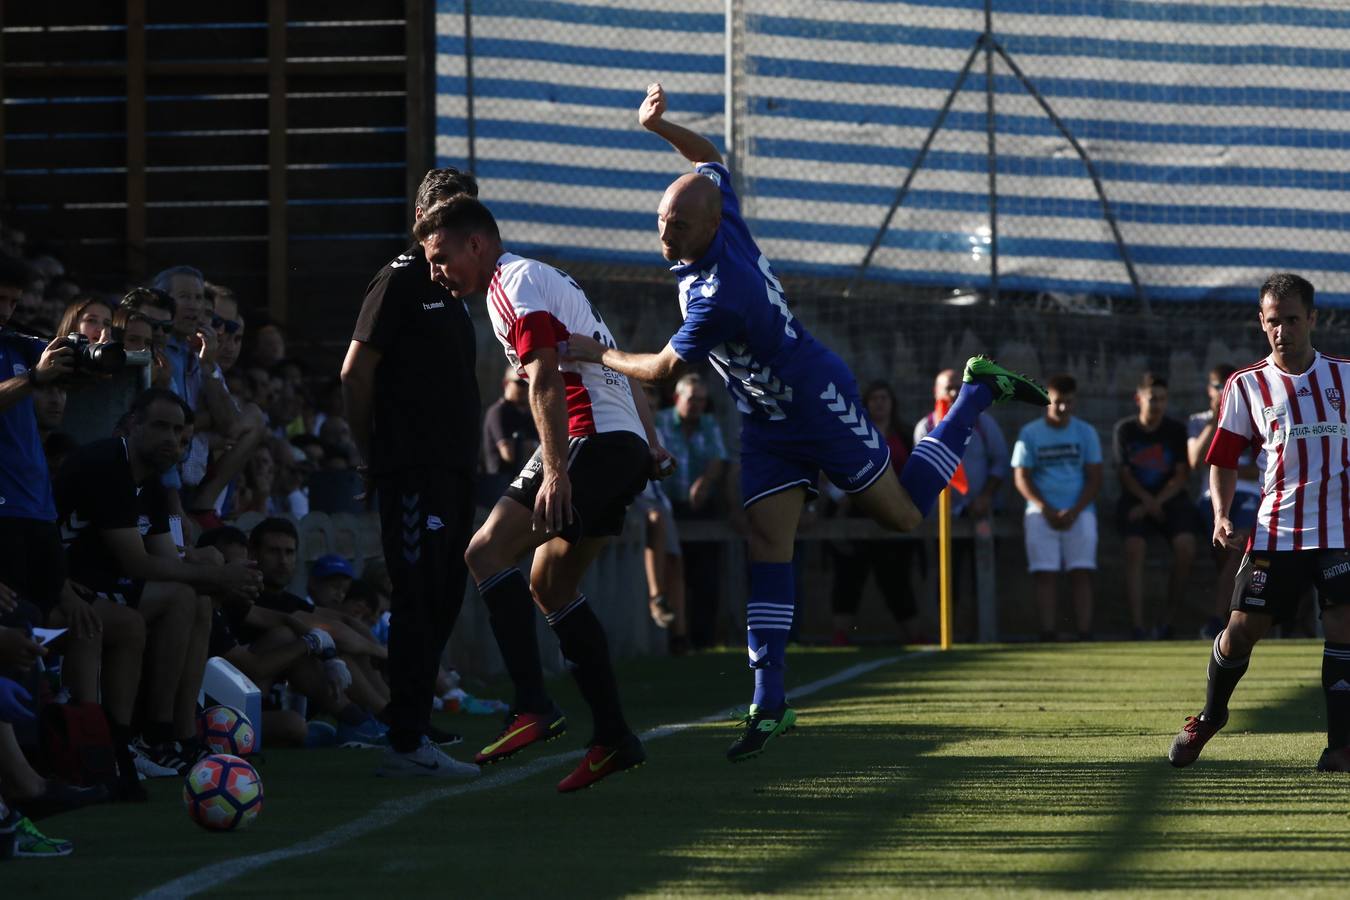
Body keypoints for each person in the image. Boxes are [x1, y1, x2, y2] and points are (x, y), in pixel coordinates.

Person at [564, 83, 1048, 761]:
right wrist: (660, 127)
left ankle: (973, 393)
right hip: (764, 418)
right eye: (661, 221)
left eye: (677, 227)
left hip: (815, 400)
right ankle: (769, 703)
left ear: (708, 228)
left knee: (903, 516)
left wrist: (597, 352)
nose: (664, 235)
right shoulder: (718, 209)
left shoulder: (716, 294)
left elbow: (666, 372)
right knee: (769, 544)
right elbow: (711, 154)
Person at [414, 194, 674, 792]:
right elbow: (609, 362)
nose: (436, 272)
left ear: (476, 244)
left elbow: (547, 377)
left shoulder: (510, 285)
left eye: (441, 257)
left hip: (589, 442)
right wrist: (651, 442)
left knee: (483, 552)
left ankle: (532, 704)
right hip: (622, 447)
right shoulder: (549, 279)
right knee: (550, 583)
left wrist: (556, 470)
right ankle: (613, 738)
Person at [1169, 273, 1350, 773]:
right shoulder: (1246, 384)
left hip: (1340, 529)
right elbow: (1223, 459)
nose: (1282, 330)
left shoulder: (1346, 377)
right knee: (1242, 629)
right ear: (1261, 322)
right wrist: (1223, 514)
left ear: (1312, 318)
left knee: (1343, 626)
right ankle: (1210, 715)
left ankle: (1340, 748)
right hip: (1277, 529)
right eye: (1273, 321)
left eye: (1292, 319)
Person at [341, 167, 482, 778]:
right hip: (412, 471)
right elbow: (354, 373)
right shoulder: (398, 281)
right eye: (445, 208)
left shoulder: (454, 292)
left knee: (446, 593)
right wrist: (371, 454)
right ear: (423, 217)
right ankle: (405, 739)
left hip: (454, 471)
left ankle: (415, 720)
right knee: (418, 593)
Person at [54, 389, 264, 775]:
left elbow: (166, 557)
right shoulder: (109, 463)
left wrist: (221, 579)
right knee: (182, 597)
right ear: (132, 426)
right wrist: (220, 574)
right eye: (161, 427)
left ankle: (181, 737)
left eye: (179, 431)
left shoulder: (149, 479)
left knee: (196, 597)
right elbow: (139, 564)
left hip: (100, 584)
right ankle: (154, 734)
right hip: (61, 586)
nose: (171, 438)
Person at [914, 369, 1009, 639]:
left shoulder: (983, 423)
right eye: (948, 388)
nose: (954, 393)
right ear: (936, 392)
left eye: (959, 387)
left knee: (983, 579)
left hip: (981, 513)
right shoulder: (927, 426)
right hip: (945, 516)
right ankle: (948, 634)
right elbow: (925, 470)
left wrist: (986, 496)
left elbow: (1000, 461)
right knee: (946, 579)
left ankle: (984, 635)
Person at [826, 380, 921, 644]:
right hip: (856, 511)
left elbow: (915, 470)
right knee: (848, 576)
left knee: (897, 578)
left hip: (893, 510)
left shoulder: (904, 434)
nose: (879, 403)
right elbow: (836, 469)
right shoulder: (852, 434)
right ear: (866, 405)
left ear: (892, 403)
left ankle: (914, 635)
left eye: (884, 398)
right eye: (874, 398)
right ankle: (841, 635)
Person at [1011, 374, 1102, 641]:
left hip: (1081, 512)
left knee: (1081, 571)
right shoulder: (1029, 433)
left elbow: (1095, 477)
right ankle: (1047, 632)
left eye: (1069, 402)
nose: (1063, 408)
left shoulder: (1086, 432)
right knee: (1044, 573)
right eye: (1058, 402)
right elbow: (1022, 476)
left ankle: (1085, 633)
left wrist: (1075, 509)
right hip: (1041, 513)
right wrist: (1045, 508)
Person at [1114, 373, 1197, 639]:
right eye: (1152, 399)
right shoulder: (1125, 430)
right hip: (1136, 498)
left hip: (1169, 500)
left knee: (1186, 546)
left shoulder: (1175, 430)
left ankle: (1167, 622)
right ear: (1138, 399)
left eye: (1162, 399)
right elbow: (1124, 474)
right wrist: (1146, 502)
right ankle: (1137, 627)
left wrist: (1157, 502)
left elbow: (1182, 474)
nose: (1157, 404)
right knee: (1134, 547)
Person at [654, 373, 729, 649]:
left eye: (701, 400)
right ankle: (674, 638)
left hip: (700, 507)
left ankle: (703, 640)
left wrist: (706, 481)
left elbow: (719, 458)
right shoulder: (660, 421)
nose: (696, 404)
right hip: (669, 505)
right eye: (691, 399)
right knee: (672, 571)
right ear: (677, 399)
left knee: (705, 577)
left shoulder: (709, 424)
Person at [1188, 363, 1263, 638]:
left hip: (1251, 496)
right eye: (1217, 386)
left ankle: (1218, 620)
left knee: (1238, 546)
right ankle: (1229, 619)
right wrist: (1216, 420)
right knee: (1231, 548)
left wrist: (1224, 463)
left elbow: (1262, 466)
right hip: (1214, 497)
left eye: (1226, 386)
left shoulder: (1252, 419)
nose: (1221, 392)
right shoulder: (1198, 420)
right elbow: (1196, 460)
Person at [480, 364, 539, 499]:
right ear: (506, 383)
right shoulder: (499, 411)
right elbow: (509, 454)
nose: (525, 388)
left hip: (521, 486)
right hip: (498, 488)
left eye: (527, 382)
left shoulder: (529, 415)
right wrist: (534, 447)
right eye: (520, 383)